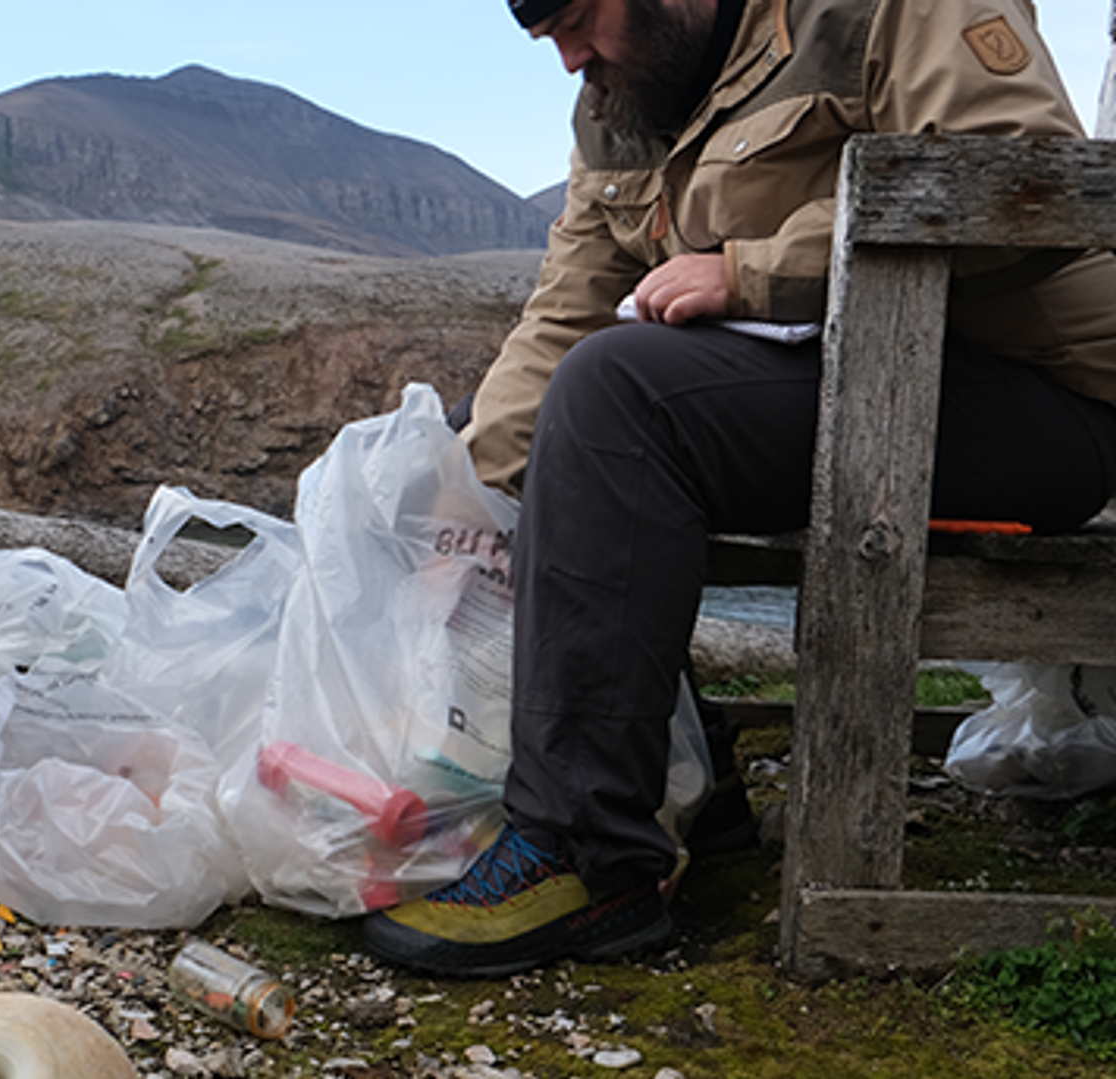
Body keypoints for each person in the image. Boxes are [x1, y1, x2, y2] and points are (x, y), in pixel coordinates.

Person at [365, 0, 1116, 976]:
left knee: (617, 394)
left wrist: (759, 272)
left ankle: (587, 857)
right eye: (546, 36)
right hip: (841, 395)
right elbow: (570, 307)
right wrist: (463, 509)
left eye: (579, 20)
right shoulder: (620, 97)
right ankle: (691, 779)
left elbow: (1021, 172)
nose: (569, 60)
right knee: (519, 420)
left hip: (1038, 399)